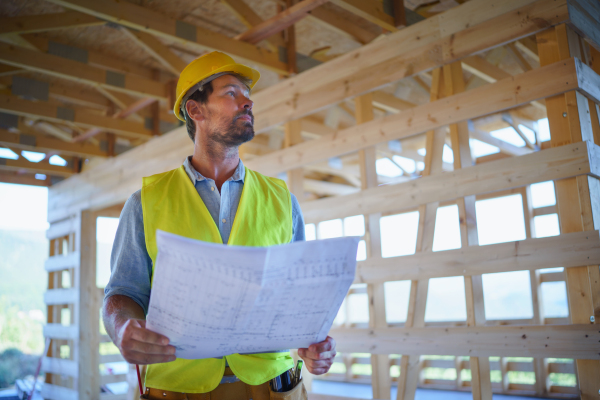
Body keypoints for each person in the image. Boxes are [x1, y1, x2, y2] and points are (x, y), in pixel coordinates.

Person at [102, 51, 337, 399]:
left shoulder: (282, 199)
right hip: (179, 390)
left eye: (247, 94)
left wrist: (314, 344)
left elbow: (297, 300)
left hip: (273, 387)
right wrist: (121, 326)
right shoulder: (145, 202)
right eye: (231, 93)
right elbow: (123, 293)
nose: (248, 101)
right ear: (195, 110)